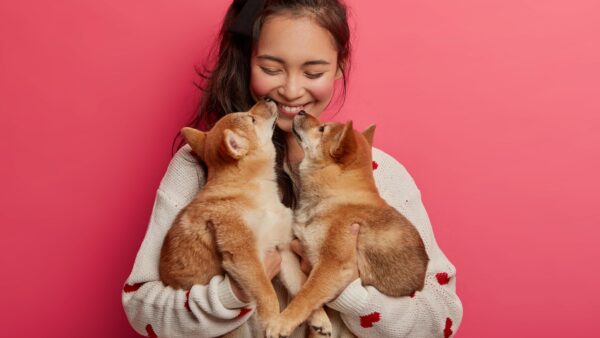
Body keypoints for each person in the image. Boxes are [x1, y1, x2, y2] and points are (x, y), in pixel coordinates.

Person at [121, 0, 463, 337]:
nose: (291, 90)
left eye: (313, 72)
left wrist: (341, 289)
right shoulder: (200, 165)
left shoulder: (378, 172)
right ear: (247, 62)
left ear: (339, 68)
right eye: (271, 69)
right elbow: (141, 304)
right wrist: (234, 294)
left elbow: (440, 317)